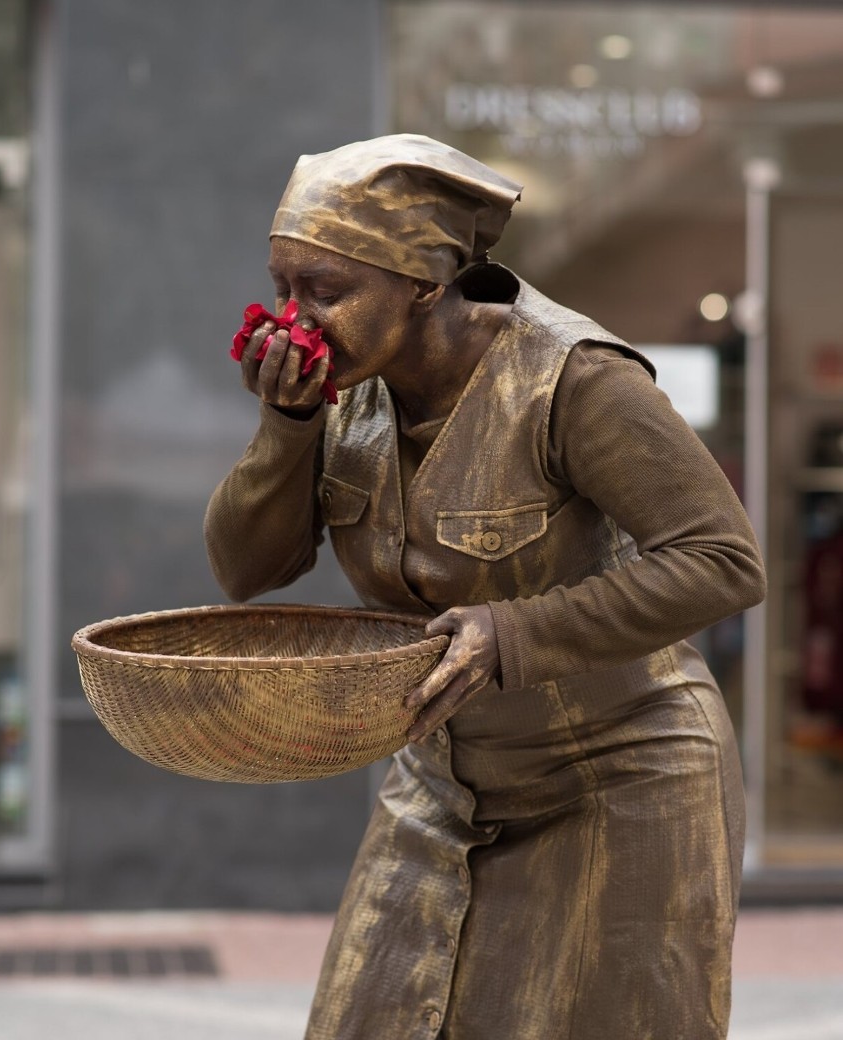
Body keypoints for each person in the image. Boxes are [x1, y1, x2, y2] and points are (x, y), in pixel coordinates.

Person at [204, 134, 766, 1040]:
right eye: (283, 286)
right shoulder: (347, 391)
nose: (291, 319)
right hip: (442, 787)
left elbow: (724, 559)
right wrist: (287, 425)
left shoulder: (574, 379)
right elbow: (243, 570)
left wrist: (513, 632)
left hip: (622, 780)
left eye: (325, 291)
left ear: (425, 282)